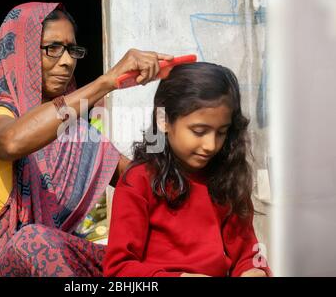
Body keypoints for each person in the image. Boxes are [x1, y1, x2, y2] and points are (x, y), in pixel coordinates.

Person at [0, 2, 173, 277]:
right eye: (52, 48)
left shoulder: (75, 132)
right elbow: (10, 143)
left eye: (72, 50)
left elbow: (135, 179)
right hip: (4, 265)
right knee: (32, 241)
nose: (68, 60)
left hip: (52, 263)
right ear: (23, 52)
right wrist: (107, 81)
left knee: (134, 265)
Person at [103, 62, 272, 277]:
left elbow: (247, 254)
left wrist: (253, 271)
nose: (211, 145)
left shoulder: (226, 179)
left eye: (221, 132)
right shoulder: (139, 181)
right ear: (164, 120)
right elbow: (119, 270)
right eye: (199, 131)